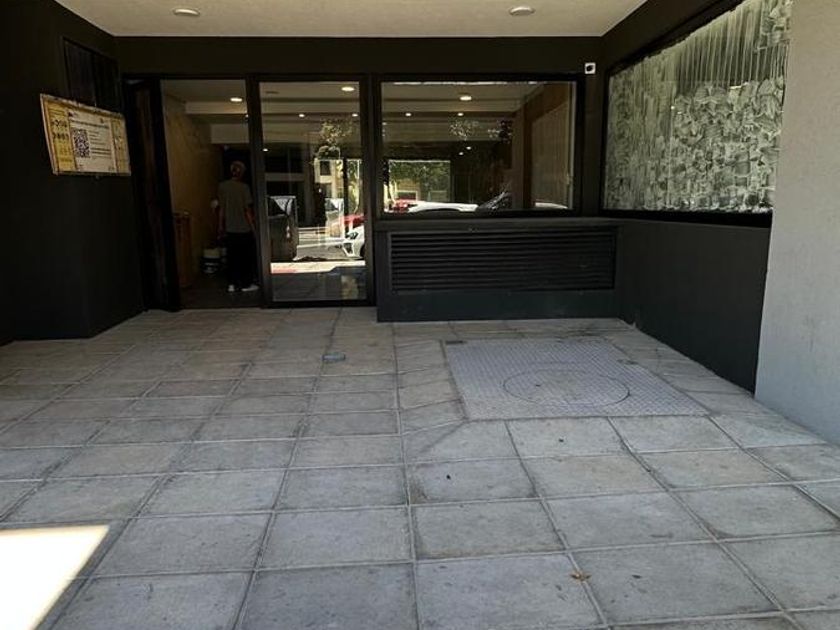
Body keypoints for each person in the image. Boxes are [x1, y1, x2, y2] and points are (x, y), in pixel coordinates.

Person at [218, 161, 258, 293]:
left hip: (230, 227)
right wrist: (253, 228)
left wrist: (220, 226)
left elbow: (221, 209)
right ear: (242, 172)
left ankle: (231, 283)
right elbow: (247, 210)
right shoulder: (244, 188)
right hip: (243, 228)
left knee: (232, 257)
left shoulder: (222, 187)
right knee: (245, 257)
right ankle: (246, 283)